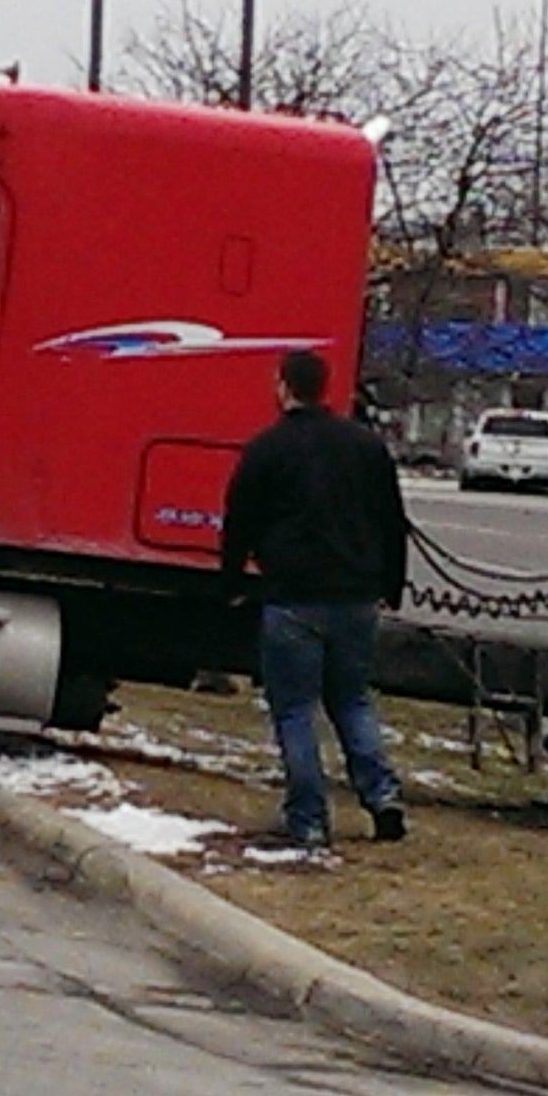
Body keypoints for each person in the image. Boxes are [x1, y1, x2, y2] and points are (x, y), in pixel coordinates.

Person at [221, 349, 410, 848]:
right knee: (352, 700)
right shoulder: (365, 447)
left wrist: (233, 581)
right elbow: (393, 522)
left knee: (295, 710)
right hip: (356, 597)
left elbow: (239, 519)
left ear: (284, 386)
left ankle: (308, 818)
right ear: (325, 387)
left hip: (293, 597)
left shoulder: (267, 448)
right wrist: (392, 584)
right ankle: (382, 795)